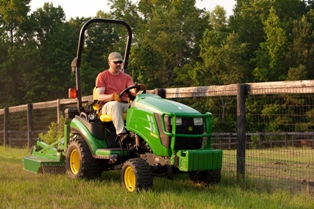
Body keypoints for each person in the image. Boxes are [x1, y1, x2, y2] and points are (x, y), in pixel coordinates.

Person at [95, 52, 146, 142]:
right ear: (109, 63)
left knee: (140, 105)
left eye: (120, 62)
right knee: (115, 105)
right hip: (107, 106)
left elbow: (132, 90)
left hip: (124, 103)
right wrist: (112, 96)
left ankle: (142, 135)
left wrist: (138, 89)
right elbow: (100, 97)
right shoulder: (102, 76)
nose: (118, 64)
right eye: (115, 62)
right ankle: (121, 134)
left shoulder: (126, 77)